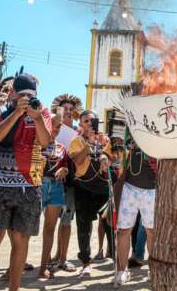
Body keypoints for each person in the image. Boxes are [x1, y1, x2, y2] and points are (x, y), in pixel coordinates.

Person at [0, 73, 52, 291]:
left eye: (31, 95)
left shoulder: (42, 111)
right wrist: (17, 113)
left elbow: (45, 141)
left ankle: (14, 289)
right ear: (12, 92)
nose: (27, 99)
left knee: (22, 240)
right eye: (22, 94)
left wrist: (37, 117)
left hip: (29, 185)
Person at [68, 110, 112, 277]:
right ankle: (86, 263)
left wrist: (104, 155)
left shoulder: (105, 139)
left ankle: (116, 260)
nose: (89, 124)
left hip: (103, 188)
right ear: (81, 124)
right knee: (84, 227)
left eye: (92, 121)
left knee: (110, 225)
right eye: (86, 121)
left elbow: (113, 158)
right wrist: (89, 143)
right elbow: (77, 161)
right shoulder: (76, 141)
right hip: (84, 188)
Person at [114, 140, 157, 286]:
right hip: (129, 188)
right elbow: (109, 151)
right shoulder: (126, 132)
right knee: (123, 230)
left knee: (152, 231)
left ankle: (154, 270)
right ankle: (122, 270)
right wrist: (104, 159)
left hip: (152, 189)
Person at [51, 93, 82, 272]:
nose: (69, 112)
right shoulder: (53, 129)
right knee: (53, 221)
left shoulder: (78, 132)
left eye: (71, 109)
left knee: (66, 220)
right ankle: (55, 254)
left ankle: (62, 259)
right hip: (54, 179)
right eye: (65, 109)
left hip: (71, 182)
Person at [39, 117, 69, 278]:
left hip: (56, 186)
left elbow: (65, 166)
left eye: (58, 127)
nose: (56, 129)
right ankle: (15, 266)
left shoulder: (62, 147)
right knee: (25, 229)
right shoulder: (36, 143)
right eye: (53, 125)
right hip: (37, 185)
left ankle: (44, 266)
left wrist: (64, 170)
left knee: (49, 228)